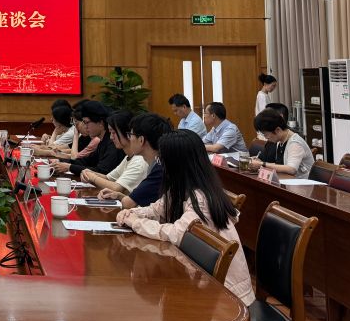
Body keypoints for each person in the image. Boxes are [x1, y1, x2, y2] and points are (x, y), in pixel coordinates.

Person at [116, 130, 255, 305]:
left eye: (162, 160)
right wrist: (133, 213)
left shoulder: (201, 198)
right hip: (202, 280)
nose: (161, 165)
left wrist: (136, 223)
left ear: (176, 164)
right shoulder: (181, 187)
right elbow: (156, 209)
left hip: (226, 296)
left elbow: (178, 233)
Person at [99, 113, 169, 209]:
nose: (129, 138)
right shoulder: (156, 163)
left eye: (130, 135)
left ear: (141, 140)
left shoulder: (159, 168)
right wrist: (119, 196)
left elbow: (128, 203)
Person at [80, 110, 151, 194]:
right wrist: (88, 173)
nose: (111, 137)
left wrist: (93, 177)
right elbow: (108, 178)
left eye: (114, 132)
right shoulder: (129, 157)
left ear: (127, 133)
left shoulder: (139, 161)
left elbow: (117, 188)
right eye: (110, 132)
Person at [53, 101, 123, 177]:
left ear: (100, 122)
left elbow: (102, 171)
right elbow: (86, 161)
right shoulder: (103, 141)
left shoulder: (112, 142)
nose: (85, 127)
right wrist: (60, 161)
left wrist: (69, 167)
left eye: (87, 122)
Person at [250, 109, 315, 179]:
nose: (266, 137)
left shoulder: (295, 143)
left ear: (277, 130)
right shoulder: (280, 140)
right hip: (287, 180)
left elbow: (291, 169)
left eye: (265, 134)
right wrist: (260, 163)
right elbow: (280, 165)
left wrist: (263, 164)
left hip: (303, 183)